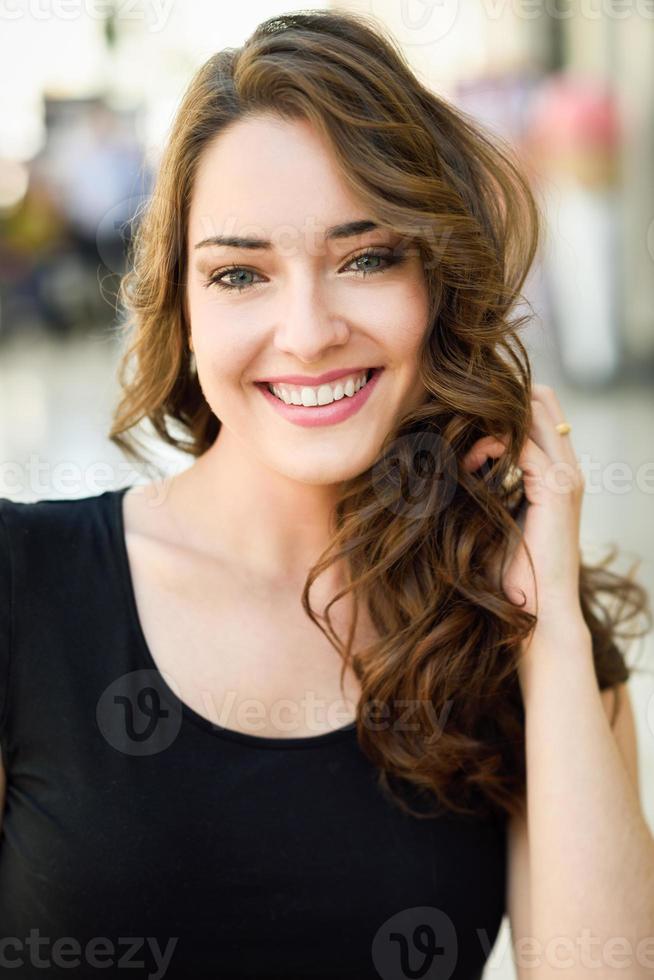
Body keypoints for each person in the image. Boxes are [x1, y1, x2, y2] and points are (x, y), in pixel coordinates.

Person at [0, 10, 651, 980]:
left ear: (442, 281)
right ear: (182, 305)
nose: (306, 332)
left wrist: (548, 624)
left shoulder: (516, 626)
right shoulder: (22, 584)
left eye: (366, 257)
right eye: (240, 272)